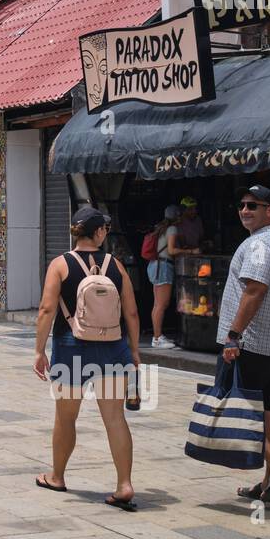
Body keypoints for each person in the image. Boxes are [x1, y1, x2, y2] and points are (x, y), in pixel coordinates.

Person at [33, 207, 140, 509]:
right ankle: (124, 484)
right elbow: (131, 312)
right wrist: (134, 350)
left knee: (66, 417)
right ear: (99, 232)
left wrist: (39, 351)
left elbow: (46, 309)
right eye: (105, 227)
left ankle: (57, 476)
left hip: (71, 347)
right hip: (113, 347)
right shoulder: (116, 265)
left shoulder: (60, 264)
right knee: (115, 419)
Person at [217, 184, 270, 504]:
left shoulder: (259, 246)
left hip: (251, 342)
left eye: (253, 206)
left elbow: (254, 291)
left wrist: (233, 335)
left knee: (234, 409)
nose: (245, 210)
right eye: (242, 205)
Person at [148, 205, 198, 350]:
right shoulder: (172, 229)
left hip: (156, 266)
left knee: (157, 304)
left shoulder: (161, 227)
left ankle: (157, 336)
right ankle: (157, 338)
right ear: (178, 216)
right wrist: (191, 251)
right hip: (163, 267)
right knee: (161, 305)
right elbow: (171, 250)